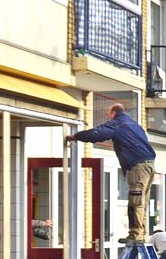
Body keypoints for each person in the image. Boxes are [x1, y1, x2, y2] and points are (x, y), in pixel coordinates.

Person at [66, 103, 156, 244]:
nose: (108, 117)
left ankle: (135, 234)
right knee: (142, 202)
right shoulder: (134, 125)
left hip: (137, 166)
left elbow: (97, 134)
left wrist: (76, 136)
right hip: (149, 165)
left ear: (114, 113)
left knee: (135, 201)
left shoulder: (117, 124)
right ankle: (142, 234)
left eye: (108, 114)